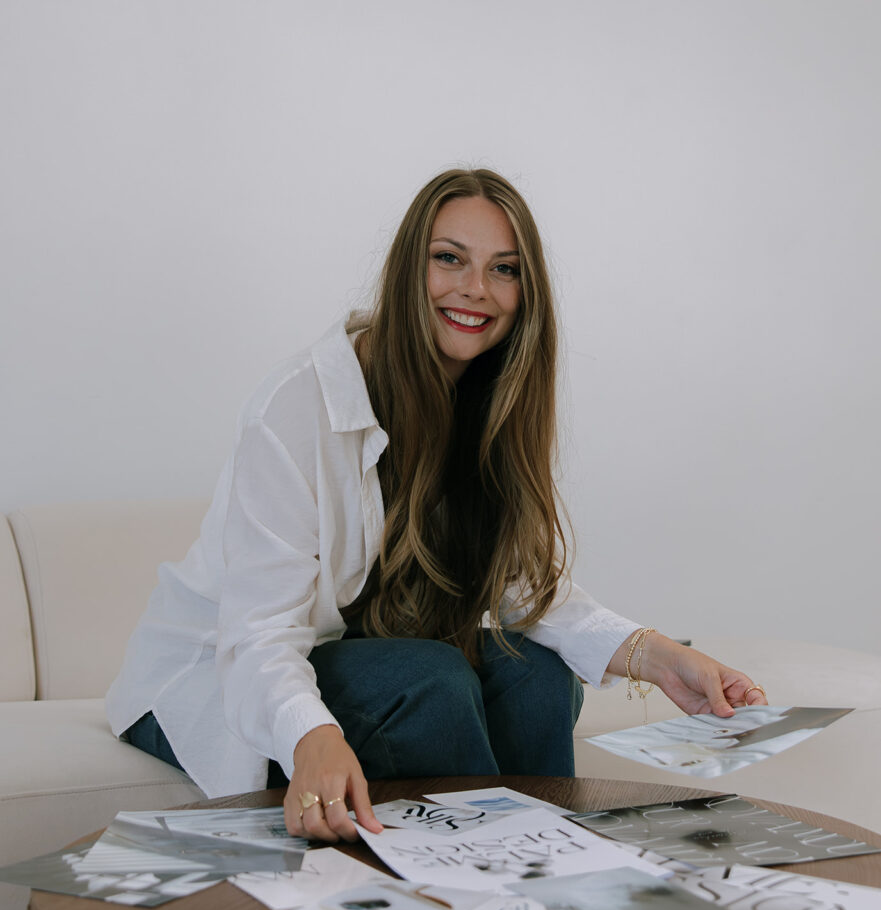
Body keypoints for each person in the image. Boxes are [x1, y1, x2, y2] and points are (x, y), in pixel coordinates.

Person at [105, 167, 766, 843]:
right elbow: (258, 636)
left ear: (524, 293)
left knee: (536, 674)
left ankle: (554, 875)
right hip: (212, 674)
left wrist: (655, 657)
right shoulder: (297, 406)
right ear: (406, 269)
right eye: (448, 258)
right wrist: (312, 736)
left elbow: (519, 591)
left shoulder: (486, 403)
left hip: (351, 661)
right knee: (429, 679)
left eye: (503, 269)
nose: (474, 289)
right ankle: (492, 878)